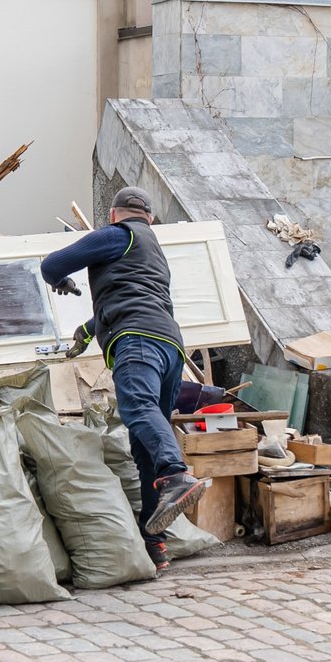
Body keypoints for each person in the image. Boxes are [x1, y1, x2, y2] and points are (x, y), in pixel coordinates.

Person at [41, 186, 206, 570]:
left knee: (137, 409)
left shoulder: (117, 234)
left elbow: (52, 265)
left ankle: (176, 474)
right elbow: (131, 295)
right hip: (170, 347)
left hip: (137, 341)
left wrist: (63, 282)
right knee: (145, 443)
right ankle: (155, 543)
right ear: (149, 217)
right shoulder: (153, 251)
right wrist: (87, 330)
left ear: (114, 214)